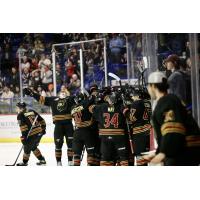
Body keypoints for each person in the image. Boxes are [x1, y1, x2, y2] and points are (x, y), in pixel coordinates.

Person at [144, 71, 200, 166]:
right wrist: (158, 152)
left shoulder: (167, 101)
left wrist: (163, 153)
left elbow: (173, 129)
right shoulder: (169, 100)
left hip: (183, 151)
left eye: (148, 86)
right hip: (183, 149)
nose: (148, 89)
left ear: (153, 86)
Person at [24, 87, 75, 166]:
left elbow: (81, 102)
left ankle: (70, 161)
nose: (63, 91)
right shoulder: (53, 99)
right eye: (61, 90)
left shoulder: (71, 99)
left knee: (71, 144)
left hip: (69, 125)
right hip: (58, 125)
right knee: (58, 145)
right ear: (58, 93)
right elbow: (41, 99)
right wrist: (32, 94)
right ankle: (58, 162)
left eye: (65, 90)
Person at [89, 89, 129, 166]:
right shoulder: (121, 106)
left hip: (105, 137)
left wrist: (98, 101)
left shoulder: (101, 107)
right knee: (123, 158)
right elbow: (128, 114)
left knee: (106, 159)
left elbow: (91, 108)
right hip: (119, 137)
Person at [123, 89, 151, 166]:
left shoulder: (137, 103)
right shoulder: (148, 103)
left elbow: (131, 118)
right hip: (148, 133)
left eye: (133, 96)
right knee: (145, 158)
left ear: (138, 96)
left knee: (140, 160)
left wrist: (125, 111)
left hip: (139, 134)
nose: (132, 98)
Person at [71, 92, 96, 166]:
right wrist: (92, 96)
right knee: (91, 153)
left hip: (77, 132)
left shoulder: (72, 108)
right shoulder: (85, 105)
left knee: (76, 154)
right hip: (87, 131)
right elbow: (86, 103)